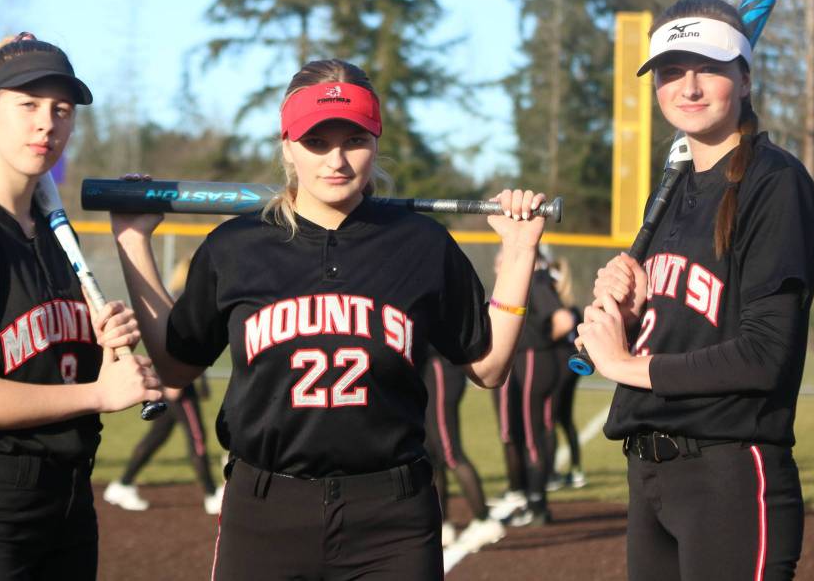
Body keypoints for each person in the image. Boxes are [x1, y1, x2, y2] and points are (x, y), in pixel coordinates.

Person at [111, 58, 548, 580]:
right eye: (317, 141)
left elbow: (489, 366)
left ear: (377, 141)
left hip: (392, 515)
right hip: (265, 508)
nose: (336, 160)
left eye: (354, 140)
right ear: (288, 146)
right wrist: (133, 241)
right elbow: (176, 367)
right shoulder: (236, 247)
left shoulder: (421, 243)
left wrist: (520, 252)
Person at [0, 33, 163, 581]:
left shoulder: (53, 241)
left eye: (61, 110)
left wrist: (105, 354)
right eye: (29, 105)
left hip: (68, 503)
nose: (47, 123)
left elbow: (54, 374)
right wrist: (98, 392)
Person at [576, 0, 814, 580]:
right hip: (651, 475)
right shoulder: (674, 186)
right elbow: (692, 325)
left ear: (744, 77)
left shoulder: (776, 183)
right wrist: (635, 315)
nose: (687, 87)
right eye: (670, 72)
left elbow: (764, 356)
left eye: (708, 68)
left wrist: (623, 364)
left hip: (729, 476)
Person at [105, 258, 224, 514]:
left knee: (158, 436)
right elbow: (178, 341)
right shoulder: (185, 296)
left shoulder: (183, 294)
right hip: (178, 382)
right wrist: (174, 383)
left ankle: (123, 484)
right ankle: (212, 493)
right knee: (197, 437)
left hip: (177, 379)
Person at [489, 246, 574, 527]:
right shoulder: (531, 282)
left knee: (530, 435)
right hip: (533, 362)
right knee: (531, 431)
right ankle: (530, 499)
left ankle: (535, 504)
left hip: (534, 362)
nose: (497, 266)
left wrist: (539, 341)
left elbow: (564, 320)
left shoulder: (535, 280)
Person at [423, 347, 505, 552]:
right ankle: (442, 523)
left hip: (439, 366)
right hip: (427, 370)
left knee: (450, 453)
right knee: (430, 454)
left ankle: (484, 520)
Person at [546, 257, 585, 490]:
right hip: (570, 368)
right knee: (564, 418)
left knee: (549, 417)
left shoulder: (561, 308)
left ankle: (550, 473)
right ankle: (576, 469)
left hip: (560, 367)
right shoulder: (572, 308)